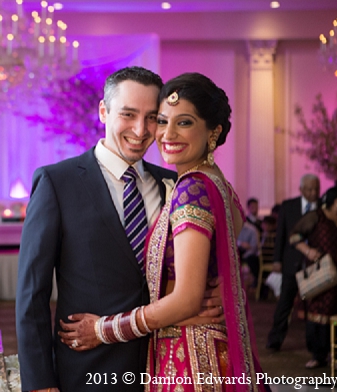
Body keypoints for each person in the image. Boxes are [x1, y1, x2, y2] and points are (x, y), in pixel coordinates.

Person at [16, 67, 222, 392]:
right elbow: (32, 294)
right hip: (88, 371)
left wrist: (205, 304)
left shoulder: (175, 184)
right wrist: (40, 383)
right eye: (128, 114)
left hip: (165, 367)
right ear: (103, 111)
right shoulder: (57, 183)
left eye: (152, 117)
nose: (140, 130)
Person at [58, 73, 267, 390]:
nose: (167, 134)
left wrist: (103, 329)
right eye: (163, 120)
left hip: (191, 362)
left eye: (184, 122)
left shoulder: (191, 189)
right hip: (210, 350)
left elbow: (186, 298)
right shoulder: (220, 185)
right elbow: (214, 267)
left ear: (214, 131)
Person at [289, 186, 337, 368]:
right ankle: (318, 355)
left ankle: (336, 356)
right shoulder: (316, 217)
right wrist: (308, 251)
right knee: (318, 314)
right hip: (321, 274)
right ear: (333, 202)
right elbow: (294, 236)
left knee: (336, 313)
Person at [266, 174, 320, 351]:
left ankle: (315, 346)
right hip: (291, 264)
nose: (314, 193)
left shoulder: (322, 207)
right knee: (284, 304)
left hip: (314, 266)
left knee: (312, 307)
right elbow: (281, 234)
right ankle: (275, 341)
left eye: (316, 189)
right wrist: (277, 260)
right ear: (301, 189)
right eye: (310, 189)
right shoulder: (288, 207)